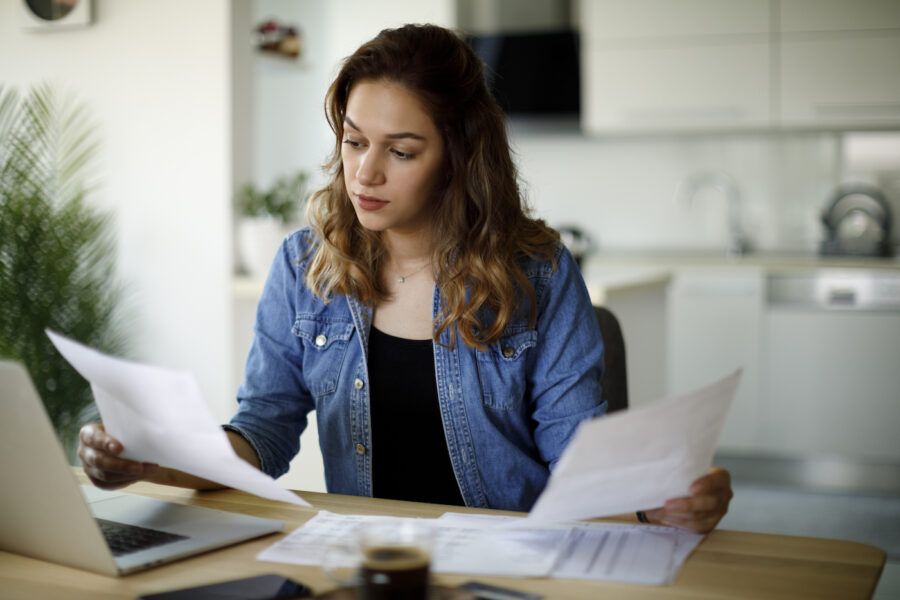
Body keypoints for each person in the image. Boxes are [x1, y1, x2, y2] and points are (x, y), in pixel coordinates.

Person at [78, 24, 732, 533]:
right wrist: (159, 460)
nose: (365, 173)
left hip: (511, 563)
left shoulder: (539, 273)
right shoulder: (304, 267)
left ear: (459, 157)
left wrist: (660, 501)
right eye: (355, 141)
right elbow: (264, 429)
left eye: (401, 151)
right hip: (365, 559)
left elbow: (578, 457)